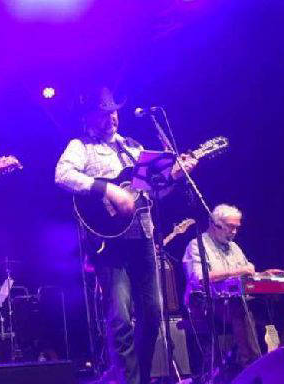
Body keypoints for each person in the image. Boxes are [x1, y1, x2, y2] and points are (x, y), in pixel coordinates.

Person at [55, 86, 197, 384]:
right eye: (103, 113)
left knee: (153, 313)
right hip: (109, 244)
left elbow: (152, 194)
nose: (111, 118)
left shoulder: (132, 147)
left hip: (142, 236)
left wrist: (174, 177)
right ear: (89, 117)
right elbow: (63, 175)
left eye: (114, 112)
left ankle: (141, 377)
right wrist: (108, 189)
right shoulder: (81, 146)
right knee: (120, 317)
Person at [182, 204, 261, 377]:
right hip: (206, 305)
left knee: (282, 304)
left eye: (237, 228)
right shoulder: (197, 245)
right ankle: (252, 369)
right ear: (215, 225)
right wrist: (239, 271)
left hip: (234, 301)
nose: (234, 232)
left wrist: (263, 275)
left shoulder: (235, 247)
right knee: (240, 307)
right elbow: (199, 278)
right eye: (230, 227)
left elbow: (248, 272)